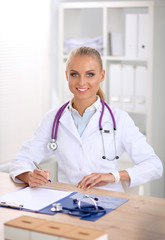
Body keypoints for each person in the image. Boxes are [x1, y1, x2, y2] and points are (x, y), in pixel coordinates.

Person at [10, 46, 163, 192]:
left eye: (90, 74)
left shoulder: (119, 119)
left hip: (108, 202)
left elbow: (154, 166)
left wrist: (113, 176)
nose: (82, 82)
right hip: (67, 200)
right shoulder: (53, 119)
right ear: (66, 75)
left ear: (101, 75)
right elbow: (22, 159)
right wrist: (29, 176)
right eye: (74, 74)